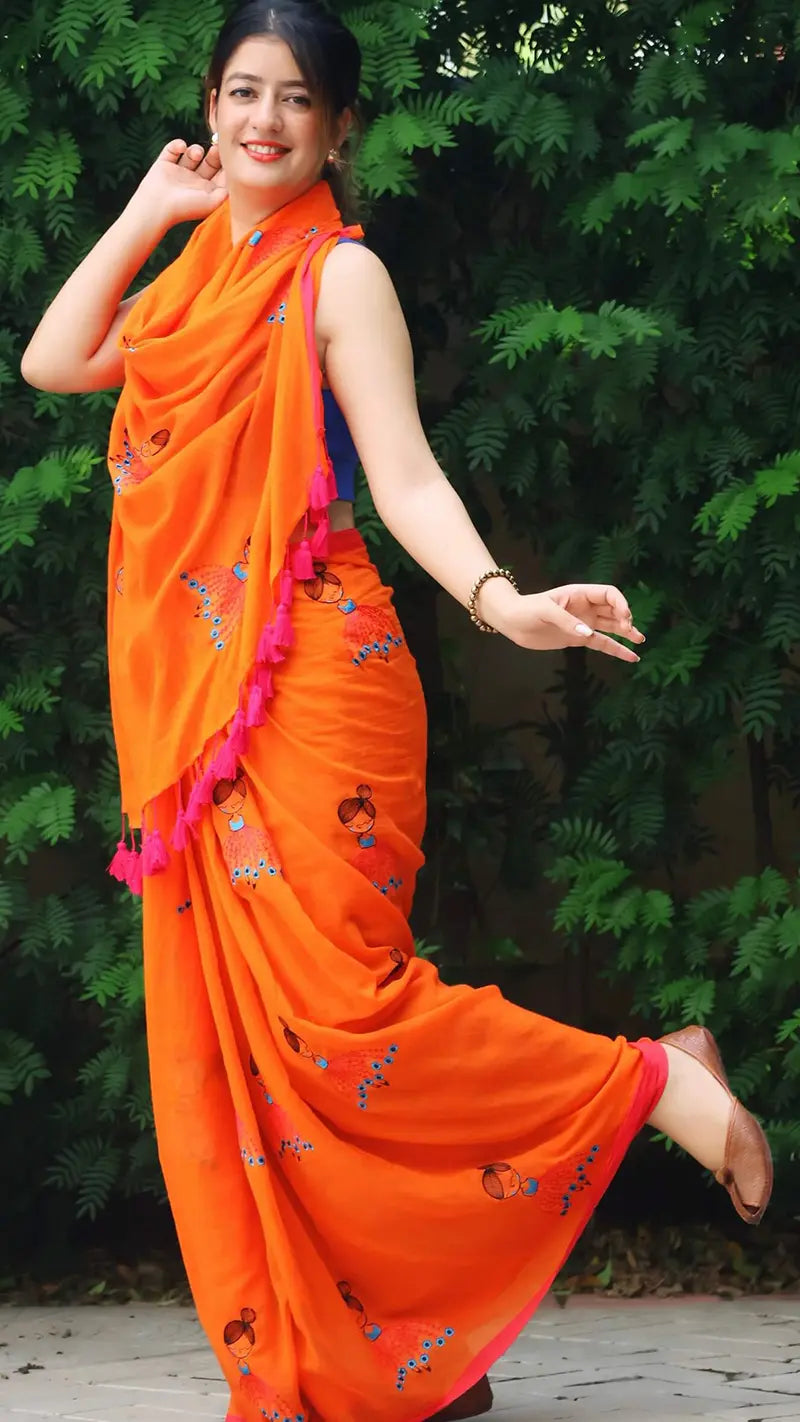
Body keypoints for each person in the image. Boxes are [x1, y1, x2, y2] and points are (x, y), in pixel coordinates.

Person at [21, 4, 773, 1421]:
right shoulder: (192, 275)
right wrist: (141, 209)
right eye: (240, 93)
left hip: (322, 675)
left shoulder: (336, 276)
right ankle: (385, 1353)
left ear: (340, 127)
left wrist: (507, 601)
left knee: (344, 1020)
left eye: (294, 100)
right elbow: (54, 362)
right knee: (255, 1049)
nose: (262, 122)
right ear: (209, 104)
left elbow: (412, 480)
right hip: (203, 712)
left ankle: (658, 1088)